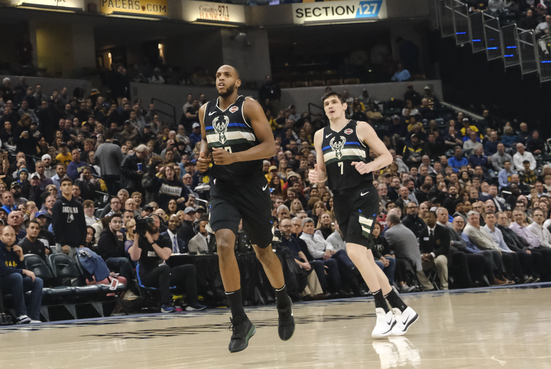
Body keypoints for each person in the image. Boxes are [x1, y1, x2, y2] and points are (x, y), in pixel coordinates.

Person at [196, 64, 293, 351]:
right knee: (223, 244)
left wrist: (235, 157)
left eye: (226, 75)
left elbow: (270, 147)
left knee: (264, 253)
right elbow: (205, 139)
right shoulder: (204, 110)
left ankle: (283, 302)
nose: (220, 79)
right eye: (217, 75)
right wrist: (202, 157)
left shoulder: (249, 106)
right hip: (222, 188)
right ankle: (239, 321)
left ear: (237, 82)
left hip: (252, 187)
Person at [309, 92, 418, 337]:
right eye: (326, 104)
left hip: (363, 194)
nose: (330, 106)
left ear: (344, 106)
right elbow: (323, 172)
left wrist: (369, 166)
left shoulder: (360, 127)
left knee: (355, 252)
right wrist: (317, 177)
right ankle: (402, 309)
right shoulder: (319, 135)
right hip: (339, 199)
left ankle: (383, 311)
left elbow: (386, 156)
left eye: (334, 102)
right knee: (365, 257)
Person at [129, 213, 204, 312]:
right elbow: (134, 257)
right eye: (151, 222)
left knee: (190, 268)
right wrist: (136, 237)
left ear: (160, 224)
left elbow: (165, 256)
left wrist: (152, 241)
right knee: (164, 269)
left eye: (156, 221)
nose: (153, 223)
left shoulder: (164, 240)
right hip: (148, 276)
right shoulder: (142, 240)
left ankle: (192, 303)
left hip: (164, 274)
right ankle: (165, 304)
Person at [0, 226, 43, 324]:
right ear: (1, 236)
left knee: (37, 281)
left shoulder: (15, 249)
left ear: (15, 237)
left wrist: (21, 257)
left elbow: (22, 274)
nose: (9, 237)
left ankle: (34, 317)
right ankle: (21, 315)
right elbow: (3, 271)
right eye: (6, 235)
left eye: (12, 235)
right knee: (16, 276)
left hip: (15, 282)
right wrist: (24, 271)